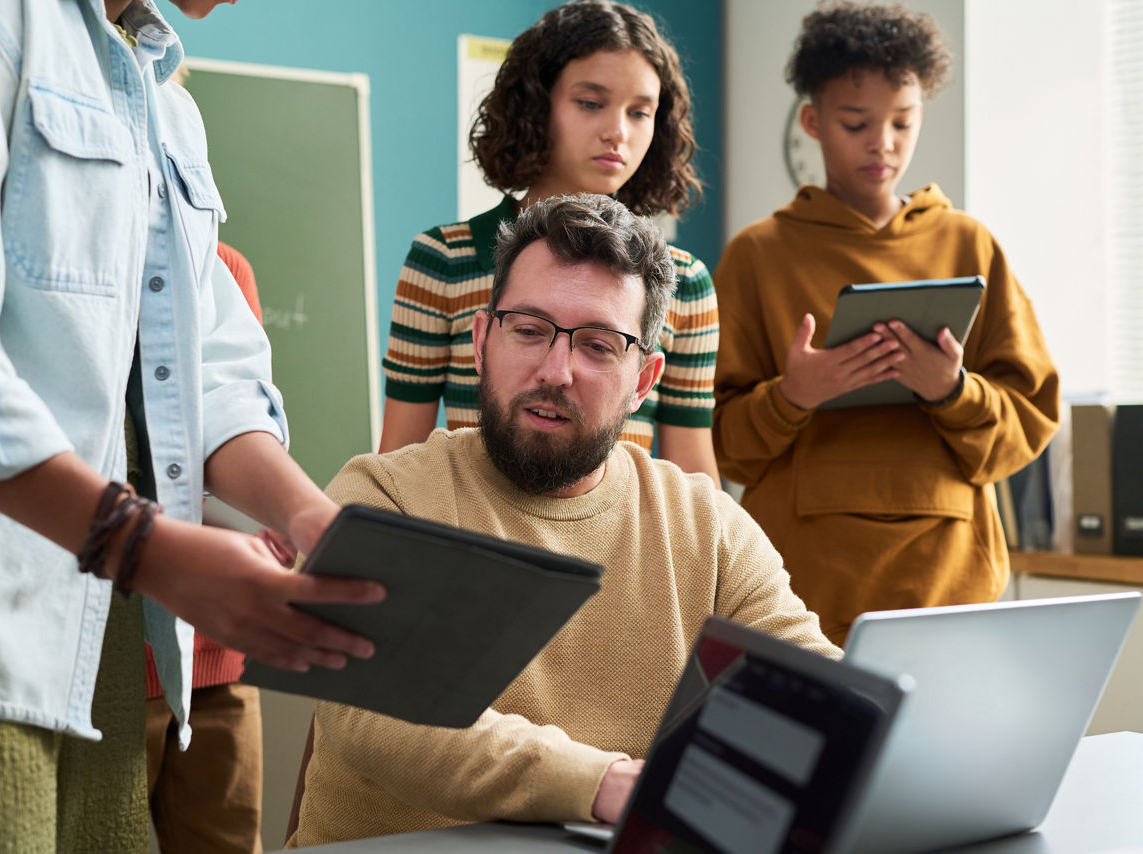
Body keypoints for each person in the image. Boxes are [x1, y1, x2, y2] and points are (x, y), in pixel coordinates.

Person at [0, 1, 382, 850]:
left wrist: (310, 517)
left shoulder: (167, 106)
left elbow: (210, 367)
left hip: (101, 662)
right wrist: (148, 549)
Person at [288, 194, 838, 849]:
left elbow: (817, 691)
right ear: (482, 341)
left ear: (644, 381)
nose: (556, 372)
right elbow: (385, 712)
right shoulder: (383, 497)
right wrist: (603, 783)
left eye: (599, 346)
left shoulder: (707, 528)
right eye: (528, 330)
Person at [710, 1, 1059, 645]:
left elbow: (1026, 426)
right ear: (812, 122)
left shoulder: (970, 245)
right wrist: (794, 397)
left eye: (903, 121)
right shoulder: (759, 254)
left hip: (950, 585)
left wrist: (951, 390)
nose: (883, 143)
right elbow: (718, 444)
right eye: (855, 122)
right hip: (801, 594)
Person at [380, 0, 720, 484]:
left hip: (617, 551)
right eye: (590, 103)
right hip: (469, 542)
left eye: (640, 112)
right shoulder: (444, 260)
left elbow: (694, 477)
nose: (617, 132)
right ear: (537, 106)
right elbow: (397, 463)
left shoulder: (685, 281)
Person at [143, 242, 267, 854]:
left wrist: (294, 514)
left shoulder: (224, 268)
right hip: (100, 658)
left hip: (216, 656)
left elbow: (235, 422)